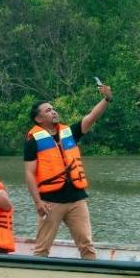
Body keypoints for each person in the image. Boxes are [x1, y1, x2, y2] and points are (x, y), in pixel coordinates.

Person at [24, 82, 112, 259]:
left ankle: (91, 277)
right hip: (51, 202)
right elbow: (29, 173)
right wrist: (37, 202)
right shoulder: (32, 141)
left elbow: (91, 117)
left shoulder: (69, 132)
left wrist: (107, 99)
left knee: (87, 245)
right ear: (39, 119)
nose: (54, 111)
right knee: (41, 249)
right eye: (48, 110)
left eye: (53, 109)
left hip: (76, 200)